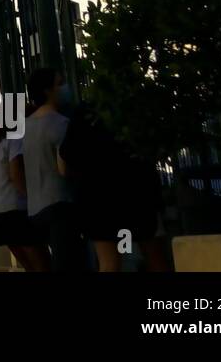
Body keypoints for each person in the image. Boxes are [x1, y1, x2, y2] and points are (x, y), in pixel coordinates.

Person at [59, 101, 170, 272]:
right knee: (154, 256)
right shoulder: (132, 103)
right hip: (137, 195)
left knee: (109, 263)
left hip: (98, 199)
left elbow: (64, 163)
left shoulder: (84, 113)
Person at [23, 70, 87, 272]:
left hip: (35, 209)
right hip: (60, 205)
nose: (65, 88)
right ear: (48, 91)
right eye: (60, 83)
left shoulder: (26, 127)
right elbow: (64, 169)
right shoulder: (61, 124)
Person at [0, 124, 49, 272]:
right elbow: (16, 174)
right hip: (15, 209)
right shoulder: (16, 139)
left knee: (29, 265)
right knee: (42, 264)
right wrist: (33, 198)